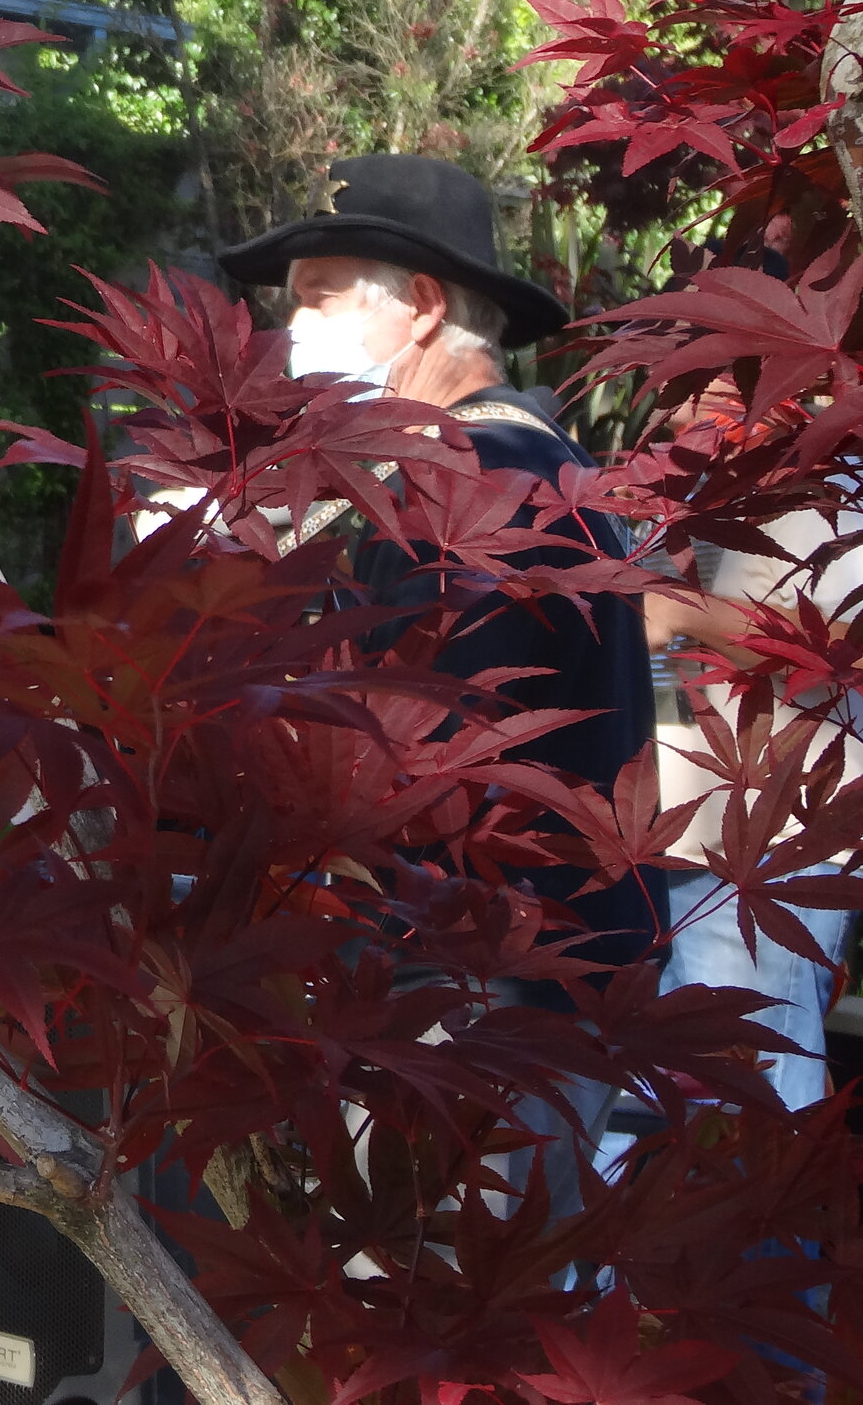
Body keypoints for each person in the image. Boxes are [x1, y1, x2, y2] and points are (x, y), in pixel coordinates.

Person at [218, 152, 656, 1215]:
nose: (292, 330)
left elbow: (415, 772)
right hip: (500, 993)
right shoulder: (512, 470)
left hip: (470, 1005)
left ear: (418, 305)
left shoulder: (483, 486)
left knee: (422, 1325)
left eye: (319, 297)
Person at [647, 388, 862, 1108]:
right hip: (667, 829)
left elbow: (845, 648)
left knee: (753, 1100)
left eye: (710, 395)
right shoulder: (691, 488)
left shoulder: (836, 487)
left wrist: (685, 612)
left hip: (770, 841)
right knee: (661, 1096)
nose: (683, 420)